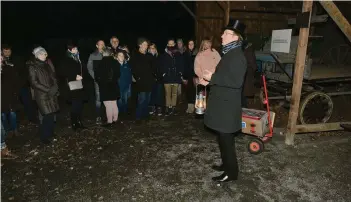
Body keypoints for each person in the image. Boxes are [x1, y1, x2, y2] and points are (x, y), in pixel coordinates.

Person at [203, 19, 247, 183]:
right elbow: (226, 75)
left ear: (236, 37)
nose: (222, 35)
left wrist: (212, 77)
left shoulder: (237, 56)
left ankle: (231, 173)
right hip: (223, 104)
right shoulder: (229, 53)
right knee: (223, 139)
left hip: (227, 108)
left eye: (226, 33)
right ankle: (226, 164)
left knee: (227, 141)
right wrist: (212, 77)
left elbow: (236, 82)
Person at [28, 47, 60, 144]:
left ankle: (50, 133)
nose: (45, 56)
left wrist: (55, 87)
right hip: (42, 95)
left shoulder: (46, 65)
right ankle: (44, 137)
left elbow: (53, 77)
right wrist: (48, 90)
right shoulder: (32, 66)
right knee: (46, 115)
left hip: (51, 93)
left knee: (51, 114)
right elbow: (34, 83)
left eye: (46, 54)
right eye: (43, 54)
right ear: (38, 55)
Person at [60, 42, 86, 132]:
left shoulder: (77, 58)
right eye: (74, 49)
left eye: (76, 49)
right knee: (75, 105)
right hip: (72, 86)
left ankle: (80, 121)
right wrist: (74, 76)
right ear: (69, 50)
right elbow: (63, 72)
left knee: (80, 105)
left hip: (79, 85)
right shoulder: (66, 59)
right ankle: (74, 123)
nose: (76, 50)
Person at [129, 37, 156, 122]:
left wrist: (154, 76)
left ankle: (145, 115)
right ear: (139, 45)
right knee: (142, 99)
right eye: (144, 44)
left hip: (149, 81)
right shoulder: (135, 56)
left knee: (147, 99)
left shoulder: (149, 56)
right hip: (141, 82)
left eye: (146, 44)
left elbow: (153, 67)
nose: (145, 46)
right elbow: (133, 68)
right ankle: (138, 116)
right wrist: (138, 78)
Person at [160, 38, 186, 116]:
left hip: (176, 77)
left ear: (174, 44)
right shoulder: (164, 54)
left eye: (172, 44)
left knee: (174, 93)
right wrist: (163, 73)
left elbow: (181, 64)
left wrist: (180, 73)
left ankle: (173, 108)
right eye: (169, 44)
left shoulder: (178, 54)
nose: (171, 45)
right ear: (167, 45)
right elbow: (161, 65)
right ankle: (168, 108)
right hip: (167, 77)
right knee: (168, 93)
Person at [95, 50, 120, 127]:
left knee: (108, 105)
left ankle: (110, 121)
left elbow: (97, 76)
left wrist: (100, 82)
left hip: (104, 87)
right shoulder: (116, 62)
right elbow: (118, 74)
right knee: (114, 104)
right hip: (114, 86)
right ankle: (115, 119)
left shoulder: (100, 64)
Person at [1, 47, 21, 137]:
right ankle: (7, 130)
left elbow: (15, 79)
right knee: (3, 115)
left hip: (10, 93)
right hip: (1, 95)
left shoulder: (9, 66)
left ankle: (14, 129)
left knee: (12, 113)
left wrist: (15, 91)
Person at [87, 40, 105, 125]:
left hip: (108, 81)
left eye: (103, 44)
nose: (102, 45)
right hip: (98, 81)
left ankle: (107, 115)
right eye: (100, 44)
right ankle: (98, 116)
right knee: (98, 99)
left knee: (108, 98)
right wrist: (95, 77)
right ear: (97, 45)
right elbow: (89, 68)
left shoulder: (108, 54)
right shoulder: (93, 55)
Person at [148, 43, 164, 116]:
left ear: (156, 49)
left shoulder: (159, 56)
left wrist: (161, 75)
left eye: (154, 48)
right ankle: (152, 107)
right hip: (151, 79)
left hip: (159, 79)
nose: (152, 49)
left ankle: (159, 107)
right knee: (152, 94)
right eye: (151, 48)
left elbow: (162, 67)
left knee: (159, 94)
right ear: (149, 49)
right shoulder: (147, 57)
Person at [184, 39, 198, 114]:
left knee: (195, 92)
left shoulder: (197, 53)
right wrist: (184, 77)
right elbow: (184, 66)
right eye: (189, 44)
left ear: (194, 44)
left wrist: (197, 76)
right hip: (188, 75)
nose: (190, 45)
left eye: (192, 44)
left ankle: (196, 107)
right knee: (188, 92)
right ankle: (190, 107)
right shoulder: (185, 54)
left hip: (195, 76)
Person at [117, 50, 132, 116]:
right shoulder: (115, 65)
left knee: (125, 100)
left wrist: (129, 84)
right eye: (120, 55)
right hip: (118, 86)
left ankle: (124, 113)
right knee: (119, 101)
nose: (121, 57)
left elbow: (129, 75)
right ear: (117, 57)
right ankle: (119, 113)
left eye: (122, 56)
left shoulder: (127, 65)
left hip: (126, 86)